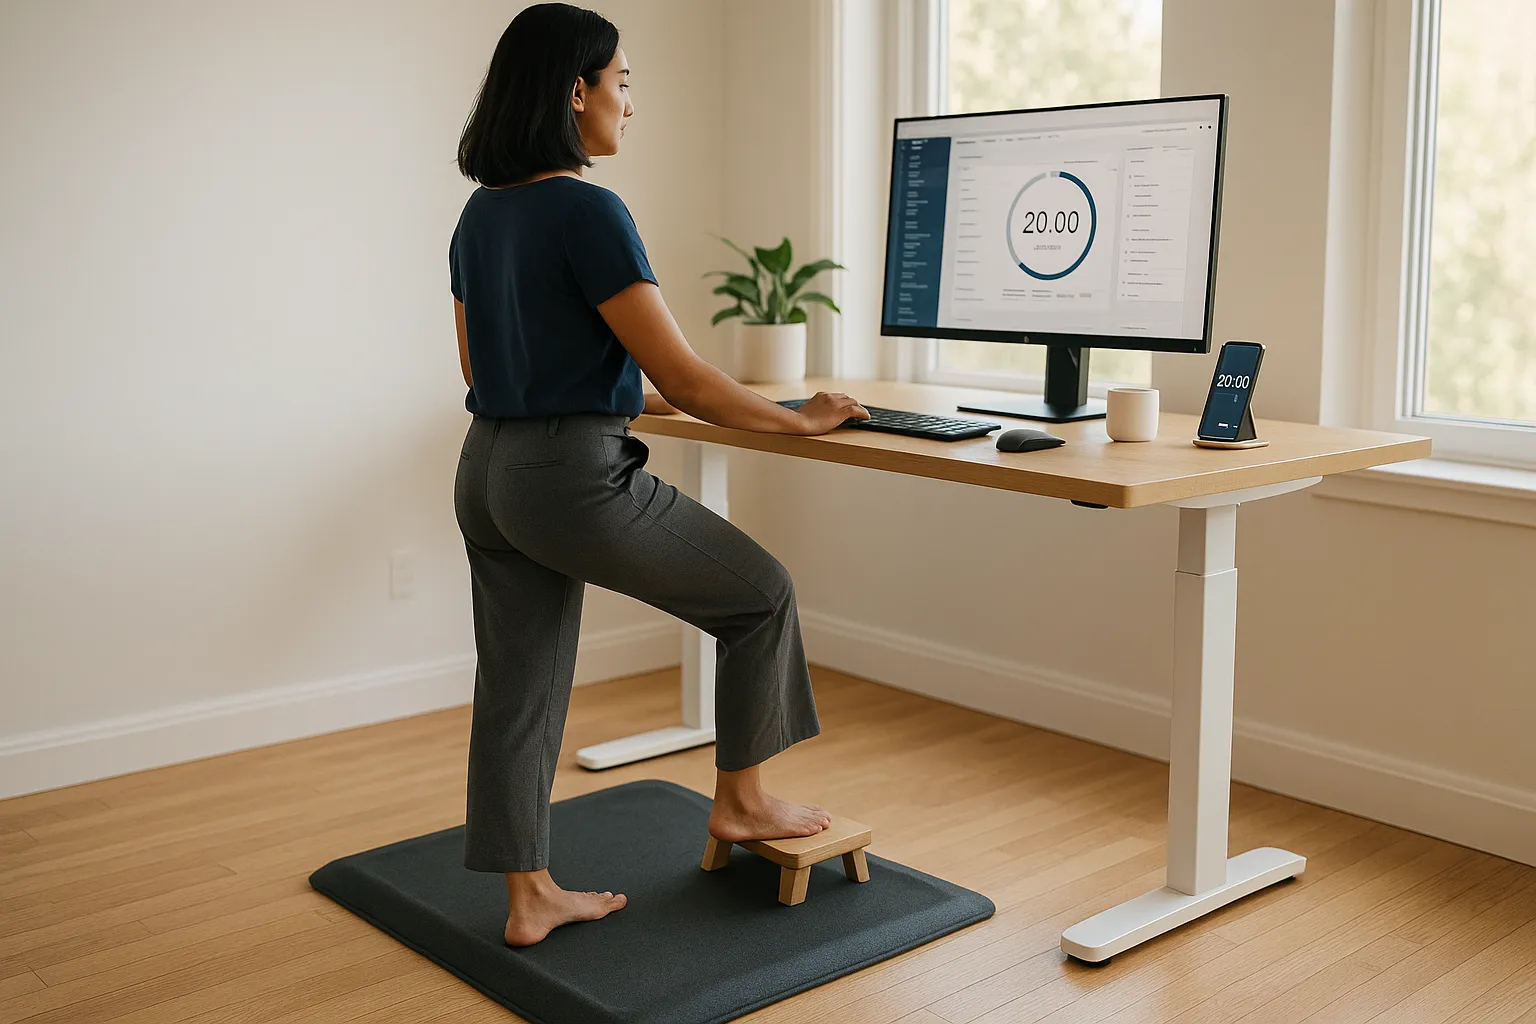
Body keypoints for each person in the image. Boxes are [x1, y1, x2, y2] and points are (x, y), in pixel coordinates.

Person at [449, 3, 870, 947]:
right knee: (759, 597)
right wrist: (797, 420)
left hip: (488, 473)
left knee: (517, 686)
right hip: (569, 475)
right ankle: (745, 803)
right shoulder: (588, 207)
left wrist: (625, 393)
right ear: (576, 92)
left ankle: (529, 900)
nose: (631, 103)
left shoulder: (483, 214)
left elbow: (487, 369)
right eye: (623, 81)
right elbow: (680, 374)